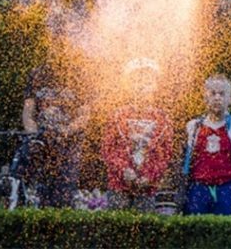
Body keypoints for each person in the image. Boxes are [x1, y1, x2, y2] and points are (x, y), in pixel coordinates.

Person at [101, 58, 173, 212]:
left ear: (155, 86)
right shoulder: (117, 116)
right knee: (116, 226)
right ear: (128, 86)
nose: (141, 87)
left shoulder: (163, 119)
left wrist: (149, 175)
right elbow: (108, 149)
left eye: (147, 83)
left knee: (144, 226)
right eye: (136, 82)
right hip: (119, 184)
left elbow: (165, 154)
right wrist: (123, 170)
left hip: (147, 186)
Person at [21, 64, 88, 207]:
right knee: (41, 191)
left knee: (64, 192)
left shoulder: (78, 74)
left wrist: (67, 131)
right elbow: (28, 112)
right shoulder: (37, 73)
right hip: (43, 144)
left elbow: (84, 115)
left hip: (68, 147)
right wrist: (34, 135)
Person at [182, 74, 231, 215]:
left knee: (226, 228)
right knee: (195, 228)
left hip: (227, 186)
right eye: (213, 93)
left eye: (222, 94)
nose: (217, 97)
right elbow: (183, 160)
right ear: (205, 98)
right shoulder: (193, 127)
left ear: (230, 99)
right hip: (198, 186)